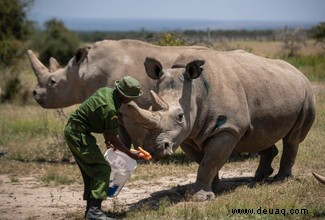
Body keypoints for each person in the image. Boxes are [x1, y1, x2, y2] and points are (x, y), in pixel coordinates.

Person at [64, 76, 143, 220]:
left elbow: (105, 128)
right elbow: (112, 136)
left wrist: (109, 141)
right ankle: (94, 212)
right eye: (131, 97)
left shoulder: (107, 92)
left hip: (78, 131)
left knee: (92, 172)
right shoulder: (110, 109)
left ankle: (91, 211)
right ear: (124, 95)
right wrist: (129, 153)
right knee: (102, 170)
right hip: (78, 135)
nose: (132, 100)